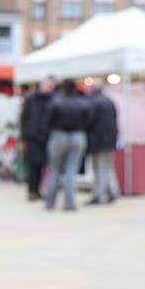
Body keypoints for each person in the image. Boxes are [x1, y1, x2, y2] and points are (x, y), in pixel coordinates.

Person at [44, 79, 90, 211]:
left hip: (59, 135)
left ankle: (50, 202)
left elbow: (48, 120)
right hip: (77, 136)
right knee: (71, 171)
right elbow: (88, 120)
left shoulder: (55, 102)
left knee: (54, 169)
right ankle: (70, 203)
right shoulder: (82, 103)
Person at [20, 77, 55, 201]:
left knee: (44, 165)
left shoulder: (53, 99)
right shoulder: (31, 99)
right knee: (33, 166)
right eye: (47, 86)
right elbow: (24, 119)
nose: (49, 88)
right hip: (33, 137)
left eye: (51, 86)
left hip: (47, 137)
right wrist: (24, 137)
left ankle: (40, 190)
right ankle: (32, 190)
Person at [85, 80, 120, 205]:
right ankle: (113, 191)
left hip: (96, 140)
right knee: (107, 167)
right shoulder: (109, 101)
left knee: (98, 169)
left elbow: (88, 122)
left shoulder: (92, 102)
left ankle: (98, 195)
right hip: (109, 140)